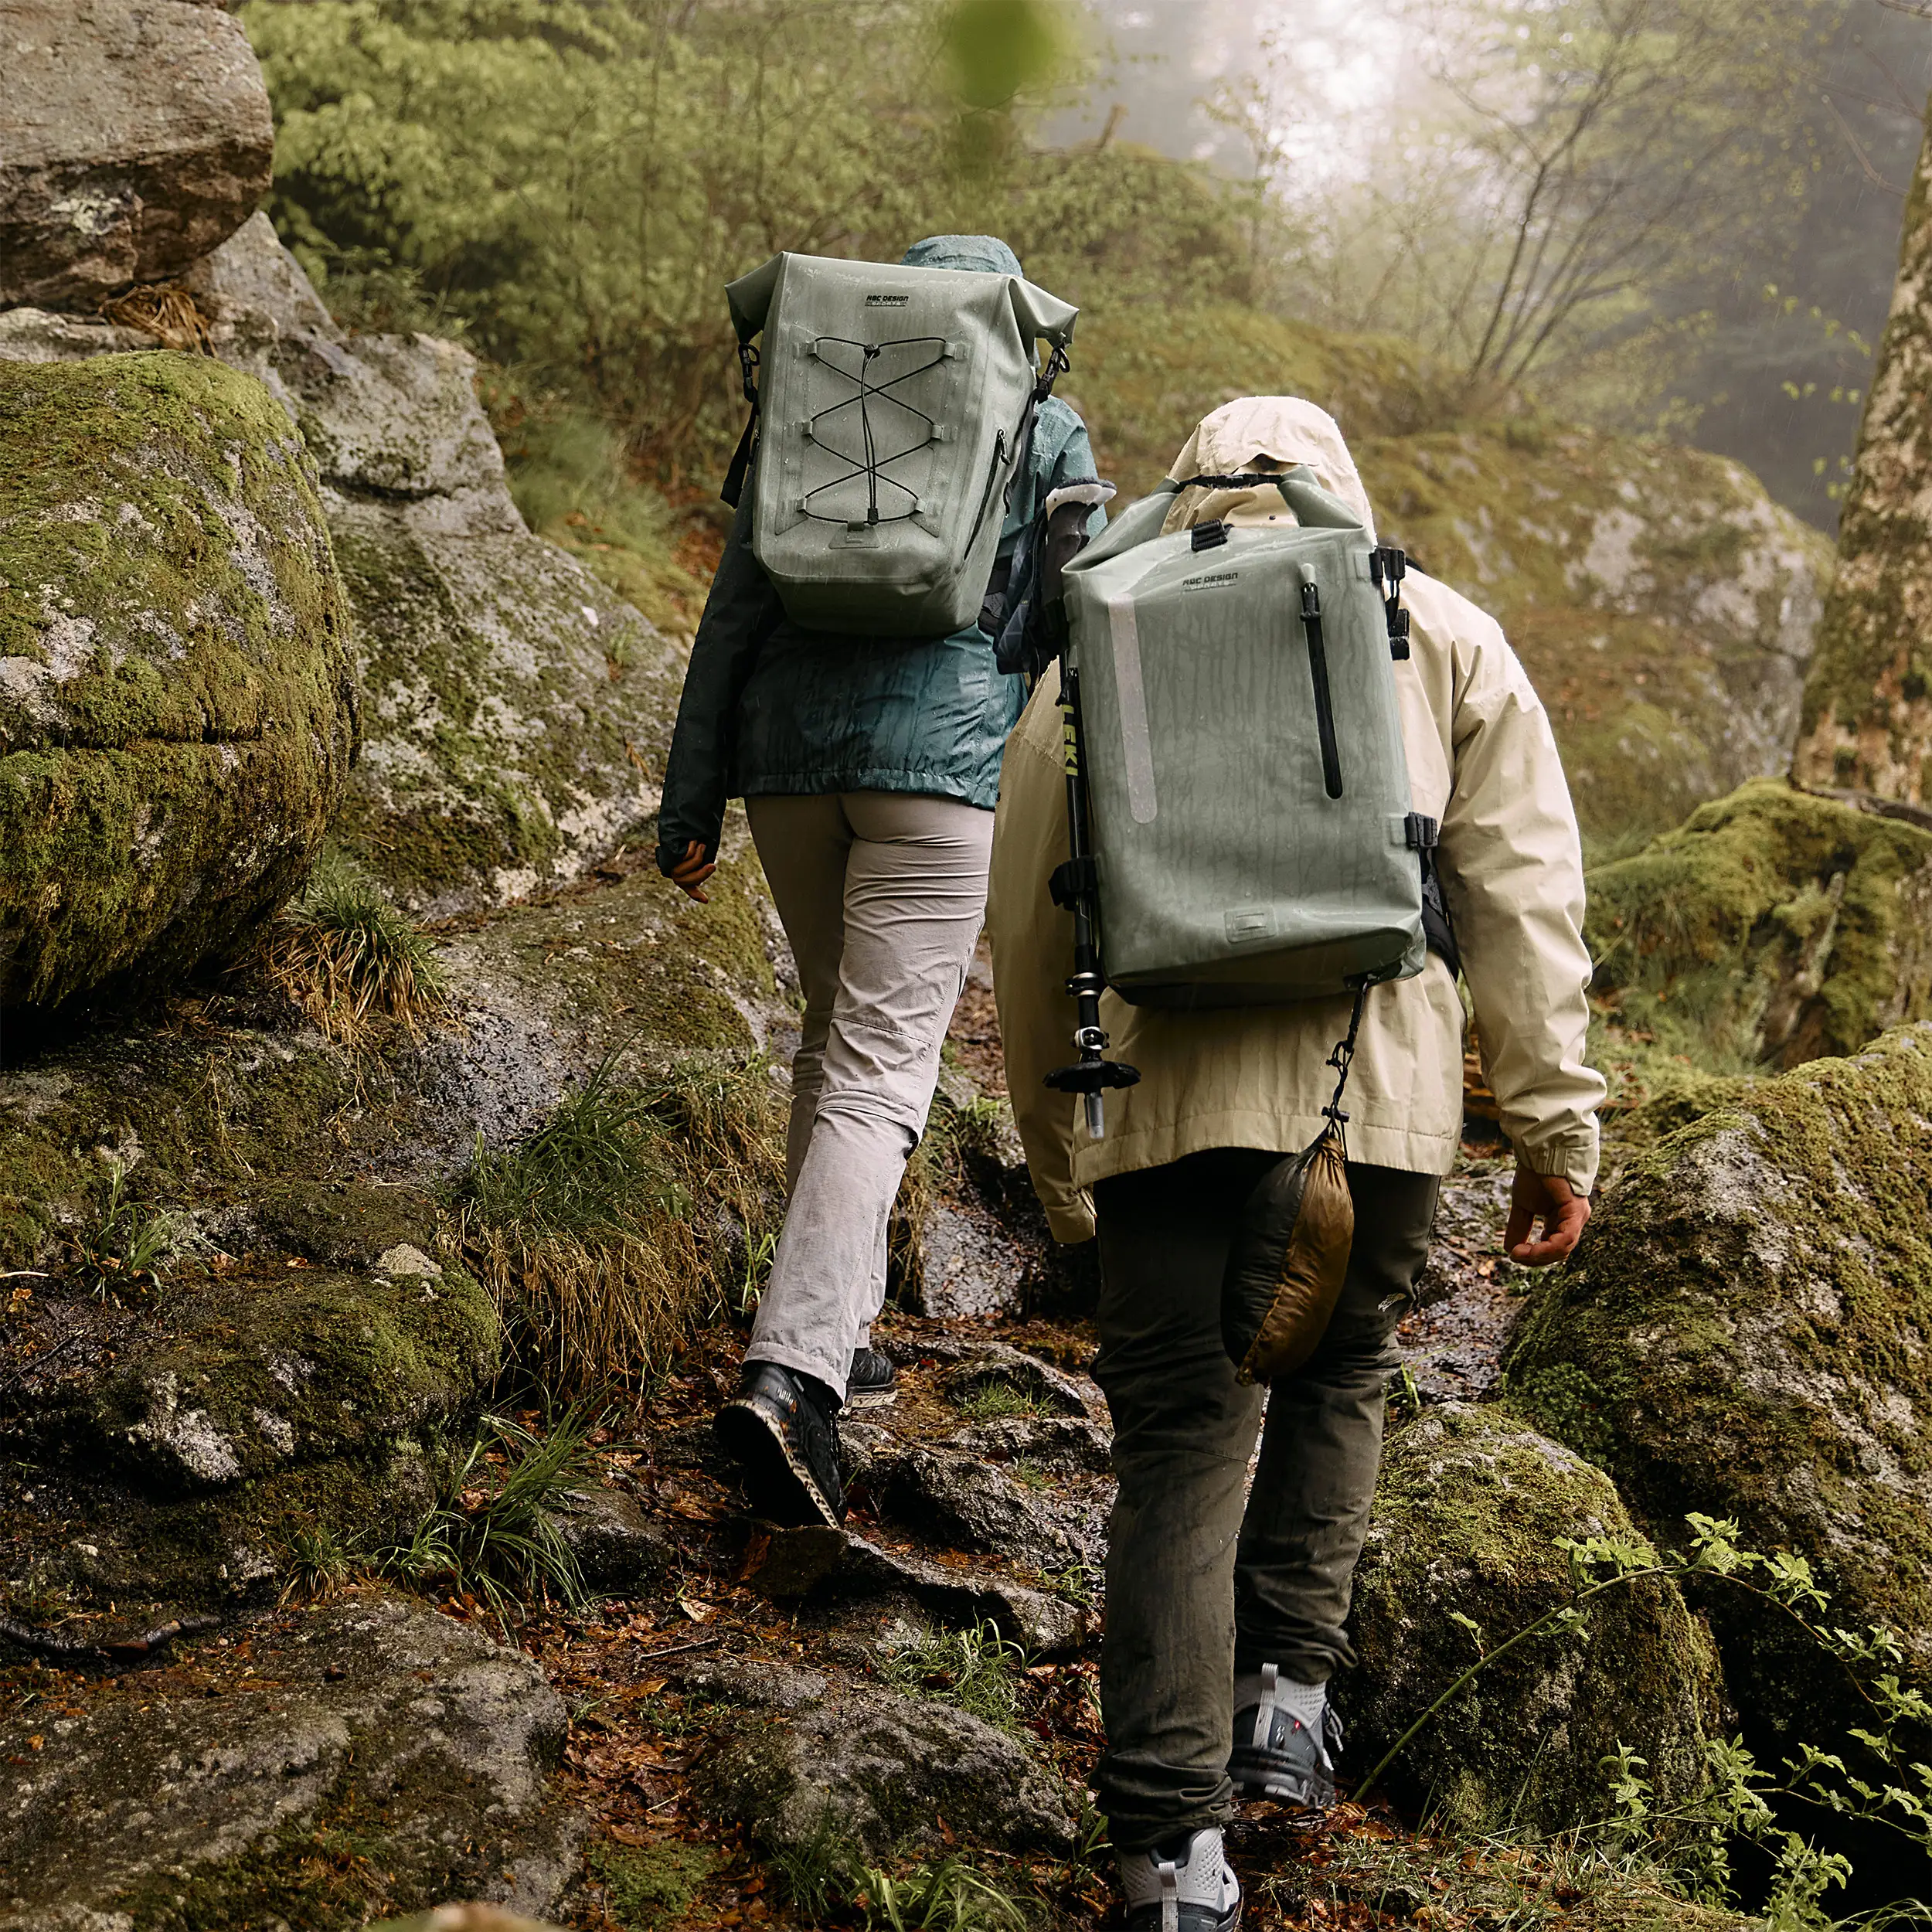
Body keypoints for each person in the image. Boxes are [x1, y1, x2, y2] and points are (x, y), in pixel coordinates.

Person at [986, 396, 1606, 1932]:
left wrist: (1061, 1160)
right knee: (1341, 1364)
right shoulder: (1437, 629)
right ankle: (1282, 1702)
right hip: (1374, 1100)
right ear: (1342, 489)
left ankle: (1167, 1852)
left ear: (1185, 487)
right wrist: (1551, 1127)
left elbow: (1028, 922)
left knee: (1182, 1442)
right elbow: (1525, 896)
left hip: (1162, 1104)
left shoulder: (1102, 632)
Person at [657, 234, 1107, 1530]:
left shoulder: (822, 395)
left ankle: (844, 1326)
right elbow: (1079, 618)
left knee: (833, 1039)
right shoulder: (1042, 419)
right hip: (942, 772)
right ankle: (794, 1373)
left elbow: (733, 610)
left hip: (789, 765)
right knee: (879, 1067)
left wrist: (691, 803)